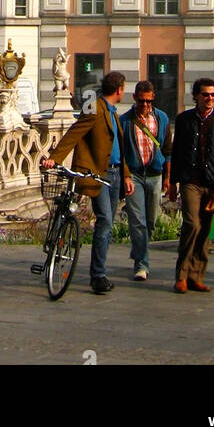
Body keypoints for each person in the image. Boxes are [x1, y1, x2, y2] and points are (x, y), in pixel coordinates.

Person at [41, 70, 133, 294]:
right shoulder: (94, 106)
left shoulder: (113, 112)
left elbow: (118, 149)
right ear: (119, 89)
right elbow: (75, 131)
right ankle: (98, 275)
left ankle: (98, 272)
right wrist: (55, 158)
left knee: (107, 224)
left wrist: (127, 175)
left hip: (115, 174)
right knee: (106, 221)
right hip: (97, 173)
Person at [169, 77, 214, 294]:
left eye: (213, 95)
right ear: (196, 96)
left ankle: (196, 275)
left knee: (206, 229)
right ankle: (181, 275)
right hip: (191, 180)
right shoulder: (185, 119)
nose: (210, 98)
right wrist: (172, 182)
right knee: (192, 224)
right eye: (205, 94)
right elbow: (176, 151)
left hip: (213, 182)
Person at [119, 80, 172, 281]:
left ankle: (139, 250)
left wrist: (168, 177)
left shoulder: (162, 118)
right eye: (141, 101)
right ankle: (141, 265)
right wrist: (125, 175)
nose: (145, 105)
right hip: (133, 175)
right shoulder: (125, 121)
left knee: (150, 221)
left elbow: (167, 150)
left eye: (149, 101)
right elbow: (121, 153)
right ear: (135, 98)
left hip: (155, 174)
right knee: (138, 222)